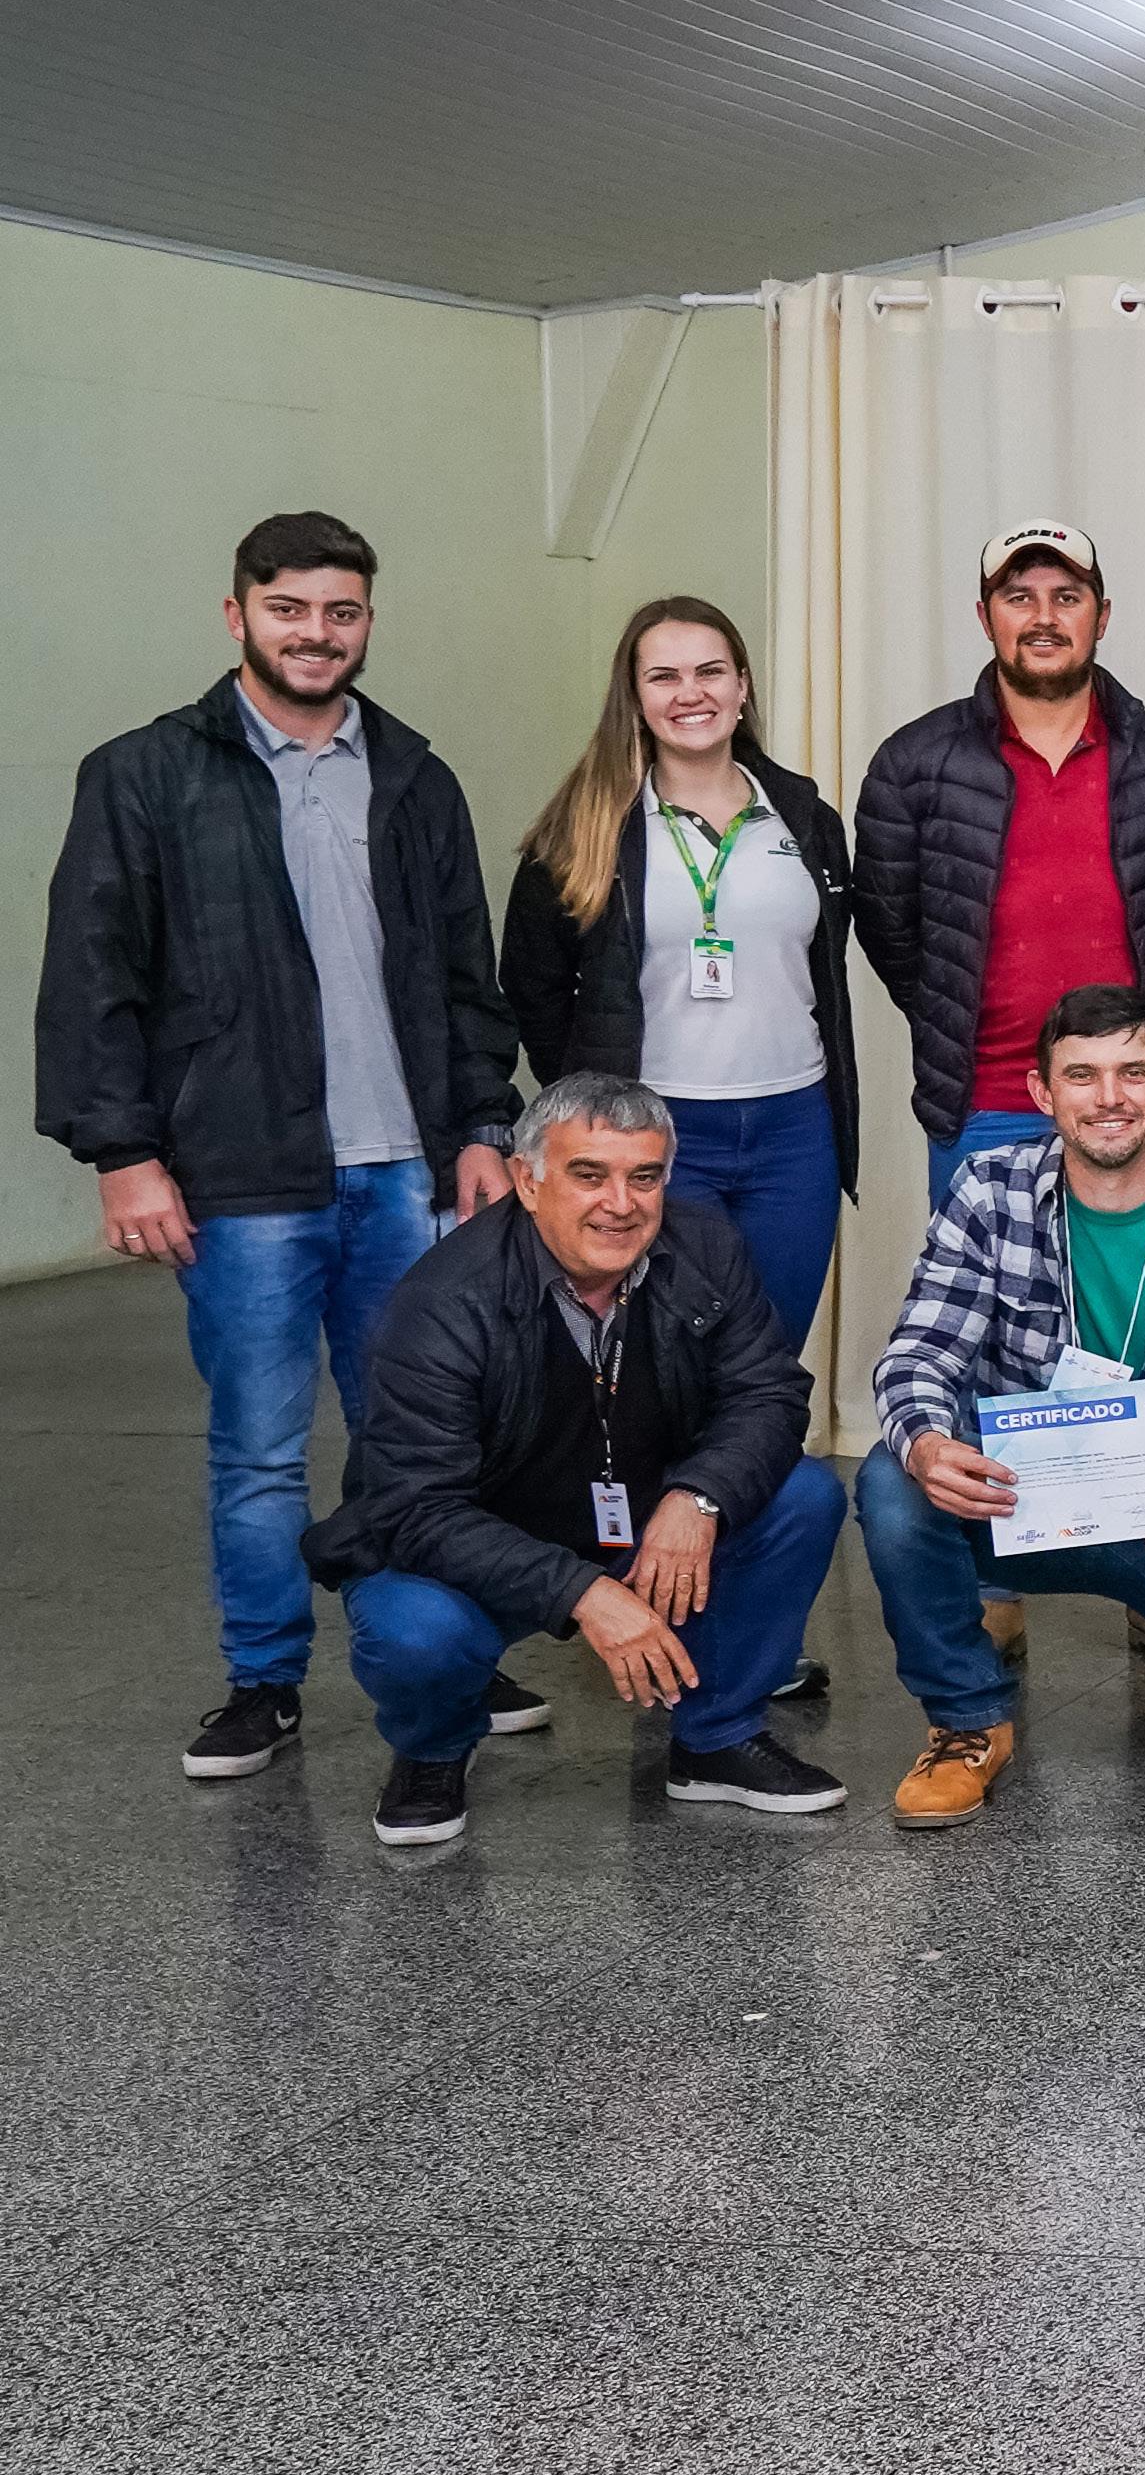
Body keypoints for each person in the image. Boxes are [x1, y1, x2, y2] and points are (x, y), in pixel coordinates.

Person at [42, 512, 526, 1781]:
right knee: (260, 1450)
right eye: (290, 609)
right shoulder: (144, 775)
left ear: (367, 621)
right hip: (241, 1175)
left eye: (341, 611)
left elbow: (466, 975)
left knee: (420, 1438)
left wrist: (483, 1126)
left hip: (408, 1172)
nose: (318, 634)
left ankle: (436, 1649)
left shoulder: (413, 773)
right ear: (237, 615)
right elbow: (93, 978)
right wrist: (122, 1154)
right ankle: (264, 1680)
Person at [308, 1076, 852, 1844]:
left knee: (801, 1496)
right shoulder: (442, 1299)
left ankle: (717, 1738)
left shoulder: (707, 1247)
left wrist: (699, 1496)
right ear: (528, 1181)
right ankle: (433, 1749)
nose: (620, 1204)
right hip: (479, 1541)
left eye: (645, 1176)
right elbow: (414, 1507)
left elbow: (769, 1394)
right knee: (413, 1628)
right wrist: (584, 1592)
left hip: (639, 1511)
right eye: (589, 1174)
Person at [857, 982, 1145, 1827]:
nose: (1110, 1097)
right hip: (1017, 1499)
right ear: (1043, 1092)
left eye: (1134, 1072)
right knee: (891, 1479)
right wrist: (925, 1442)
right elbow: (920, 1352)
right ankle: (967, 1719)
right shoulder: (986, 1192)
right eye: (1082, 1075)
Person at [503, 597, 861, 1360]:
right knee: (661, 1362)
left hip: (795, 1133)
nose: (689, 693)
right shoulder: (583, 828)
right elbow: (532, 983)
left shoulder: (804, 818)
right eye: (663, 676)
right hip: (655, 1135)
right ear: (634, 697)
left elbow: (825, 967)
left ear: (742, 686)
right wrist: (593, 1095)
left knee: (767, 1358)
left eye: (710, 672)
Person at [850, 518, 1145, 1205]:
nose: (1044, 617)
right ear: (984, 616)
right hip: (983, 1106)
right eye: (1019, 597)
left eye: (1067, 597)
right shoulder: (913, 762)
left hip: (1135, 1104)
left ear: (1102, 616)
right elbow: (889, 930)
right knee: (985, 1281)